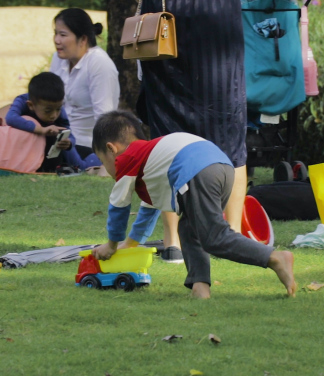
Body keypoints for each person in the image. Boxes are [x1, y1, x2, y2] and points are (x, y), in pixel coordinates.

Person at [90, 111, 297, 299]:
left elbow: (119, 207)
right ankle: (200, 286)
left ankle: (274, 258)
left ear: (111, 149)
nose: (107, 168)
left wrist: (112, 244)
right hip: (221, 166)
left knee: (214, 237)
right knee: (189, 229)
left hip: (196, 170)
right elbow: (148, 211)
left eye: (102, 160)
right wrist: (131, 244)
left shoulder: (126, 159)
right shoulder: (149, 157)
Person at [138, 0, 250, 262]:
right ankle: (231, 234)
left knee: (167, 129)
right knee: (228, 127)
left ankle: (173, 241)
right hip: (218, 12)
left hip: (166, 11)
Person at [49, 8, 119, 159]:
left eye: (62, 35)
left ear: (83, 39)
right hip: (56, 138)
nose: (56, 40)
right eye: (55, 33)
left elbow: (104, 118)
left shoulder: (98, 63)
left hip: (84, 146)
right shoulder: (59, 58)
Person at [5, 72, 101, 173]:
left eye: (58, 109)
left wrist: (69, 144)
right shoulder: (22, 101)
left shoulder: (59, 111)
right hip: (31, 152)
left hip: (58, 150)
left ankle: (97, 159)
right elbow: (10, 118)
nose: (54, 115)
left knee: (81, 167)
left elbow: (68, 132)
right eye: (48, 111)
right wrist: (41, 130)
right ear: (31, 105)